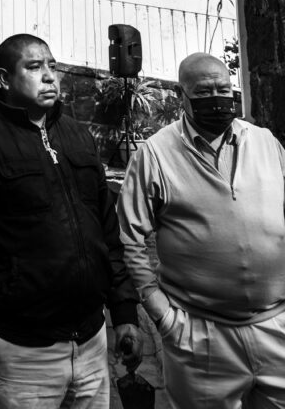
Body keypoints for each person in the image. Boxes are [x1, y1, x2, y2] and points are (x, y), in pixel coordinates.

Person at [0, 33, 141, 409]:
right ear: (3, 77)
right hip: (20, 350)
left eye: (52, 66)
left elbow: (107, 233)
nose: (49, 77)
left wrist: (124, 310)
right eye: (33, 67)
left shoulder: (78, 136)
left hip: (93, 343)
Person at [117, 50, 285, 409]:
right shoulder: (155, 154)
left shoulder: (266, 143)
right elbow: (129, 238)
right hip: (202, 335)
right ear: (182, 96)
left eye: (222, 90)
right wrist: (160, 313)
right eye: (204, 93)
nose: (217, 101)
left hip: (277, 326)